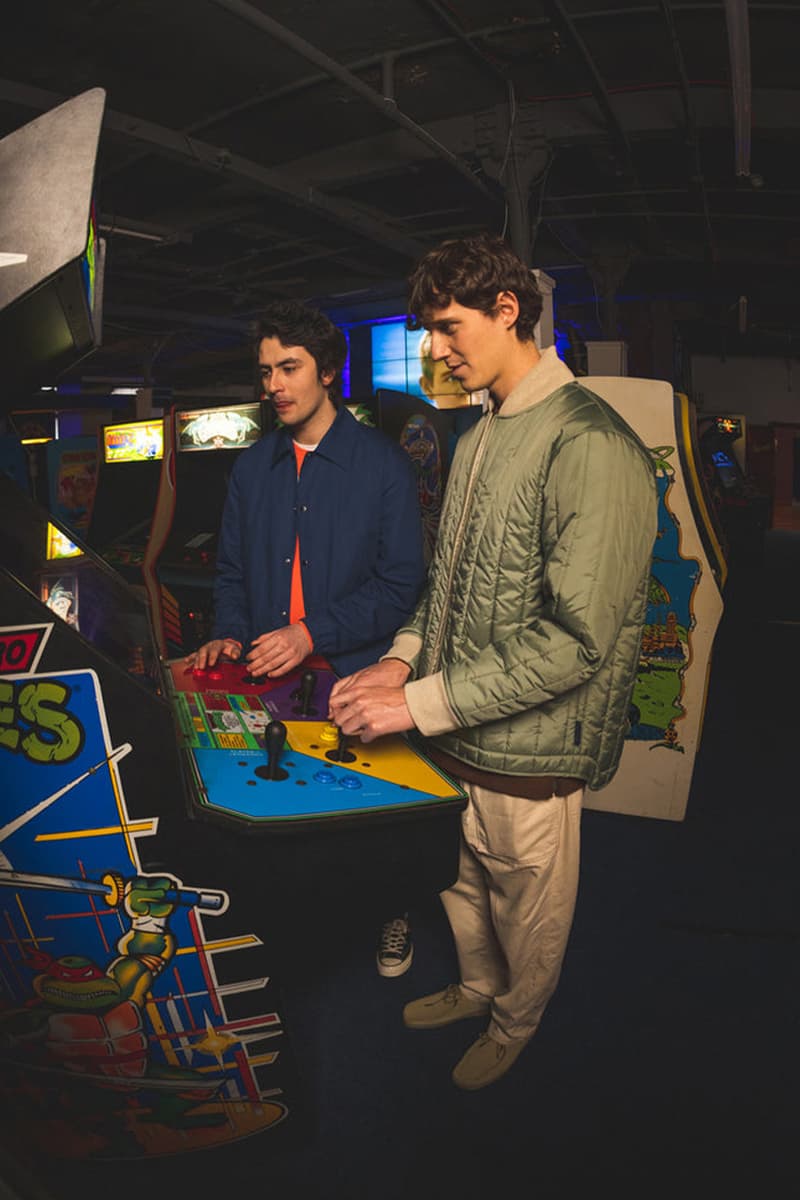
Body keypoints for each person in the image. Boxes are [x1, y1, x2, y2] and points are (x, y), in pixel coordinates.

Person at [329, 232, 658, 1091]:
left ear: (507, 310)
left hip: (530, 746)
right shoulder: (476, 438)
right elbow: (445, 589)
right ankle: (477, 990)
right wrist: (401, 662)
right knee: (460, 883)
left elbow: (577, 642)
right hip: (458, 729)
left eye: (446, 327)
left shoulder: (589, 443)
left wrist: (419, 704)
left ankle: (515, 1022)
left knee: (527, 905)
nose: (435, 351)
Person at [187, 299, 425, 683]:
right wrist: (228, 634)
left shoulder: (385, 464)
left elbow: (399, 587)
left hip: (353, 679)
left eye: (289, 368)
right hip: (263, 673)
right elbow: (232, 574)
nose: (273, 386)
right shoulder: (251, 467)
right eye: (266, 372)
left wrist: (310, 633)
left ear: (327, 371)